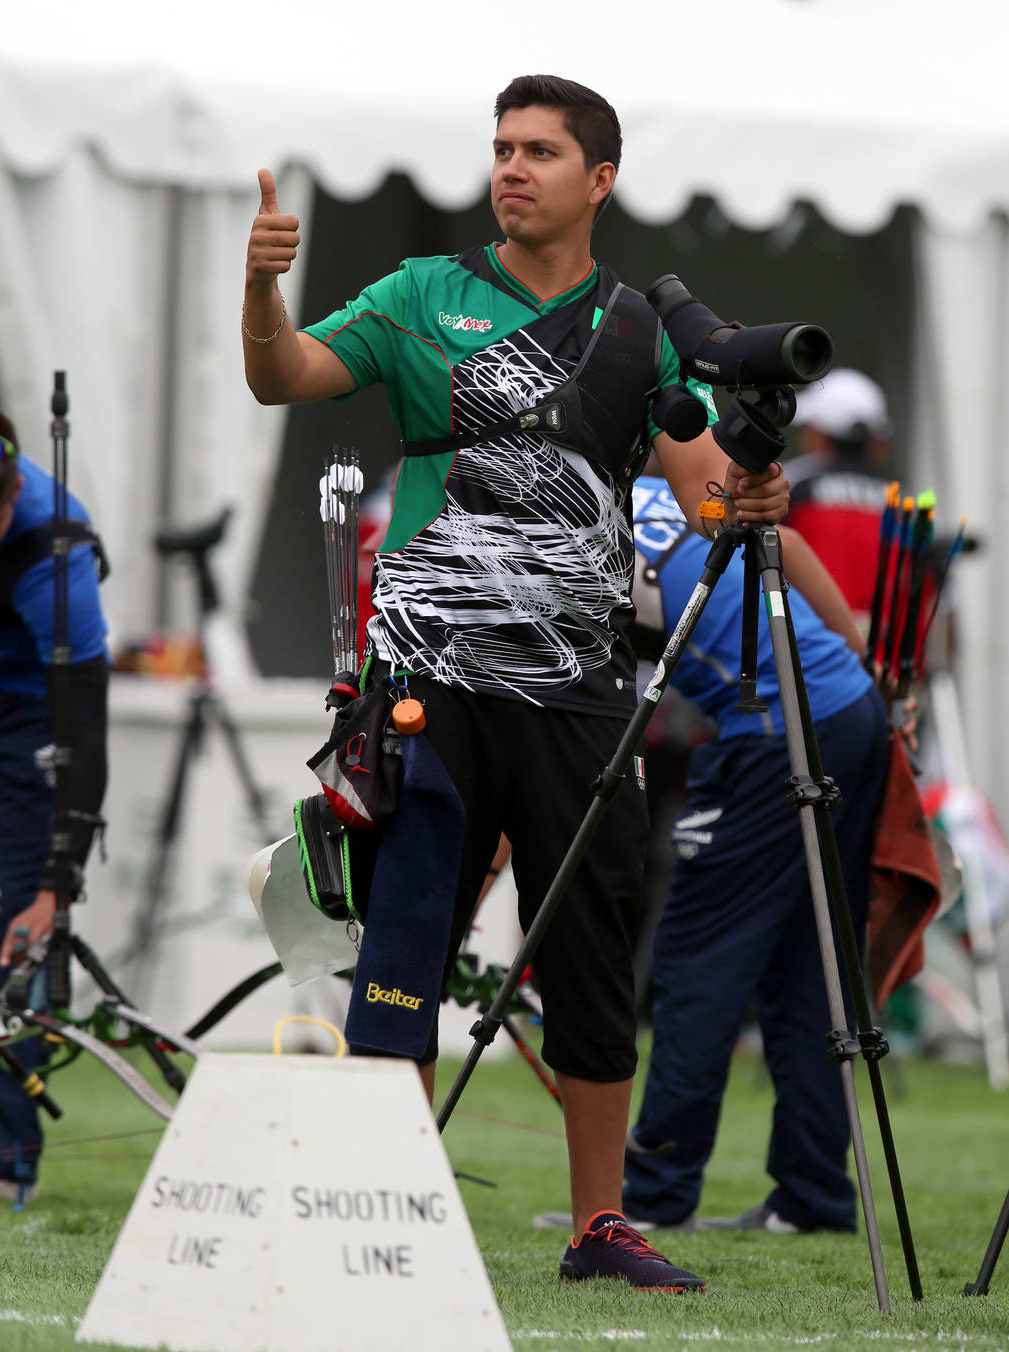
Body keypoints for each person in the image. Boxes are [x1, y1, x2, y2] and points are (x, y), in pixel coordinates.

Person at [243, 74, 788, 1291]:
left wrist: (745, 494)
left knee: (590, 952)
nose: (511, 167)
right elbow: (281, 377)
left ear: (598, 180)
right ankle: (392, 1207)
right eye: (500, 147)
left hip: (582, 688)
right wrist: (259, 286)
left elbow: (703, 495)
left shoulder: (640, 329)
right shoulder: (423, 292)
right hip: (427, 682)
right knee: (407, 940)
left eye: (540, 150)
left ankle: (603, 1224)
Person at [619, 473, 890, 1234]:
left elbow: (612, 705)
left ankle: (653, 1200)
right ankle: (812, 1198)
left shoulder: (565, 520)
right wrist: (859, 660)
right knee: (812, 960)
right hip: (848, 710)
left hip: (776, 728)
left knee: (697, 954)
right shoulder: (656, 482)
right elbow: (787, 545)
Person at [0, 404, 109, 1203]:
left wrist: (54, 885)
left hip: (29, 714)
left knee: (0, 935)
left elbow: (84, 724)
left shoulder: (53, 547)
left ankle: (0, 1161)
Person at [783, 367, 893, 625]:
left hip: (812, 646)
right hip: (888, 655)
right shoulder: (908, 500)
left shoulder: (789, 484)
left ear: (819, 434)